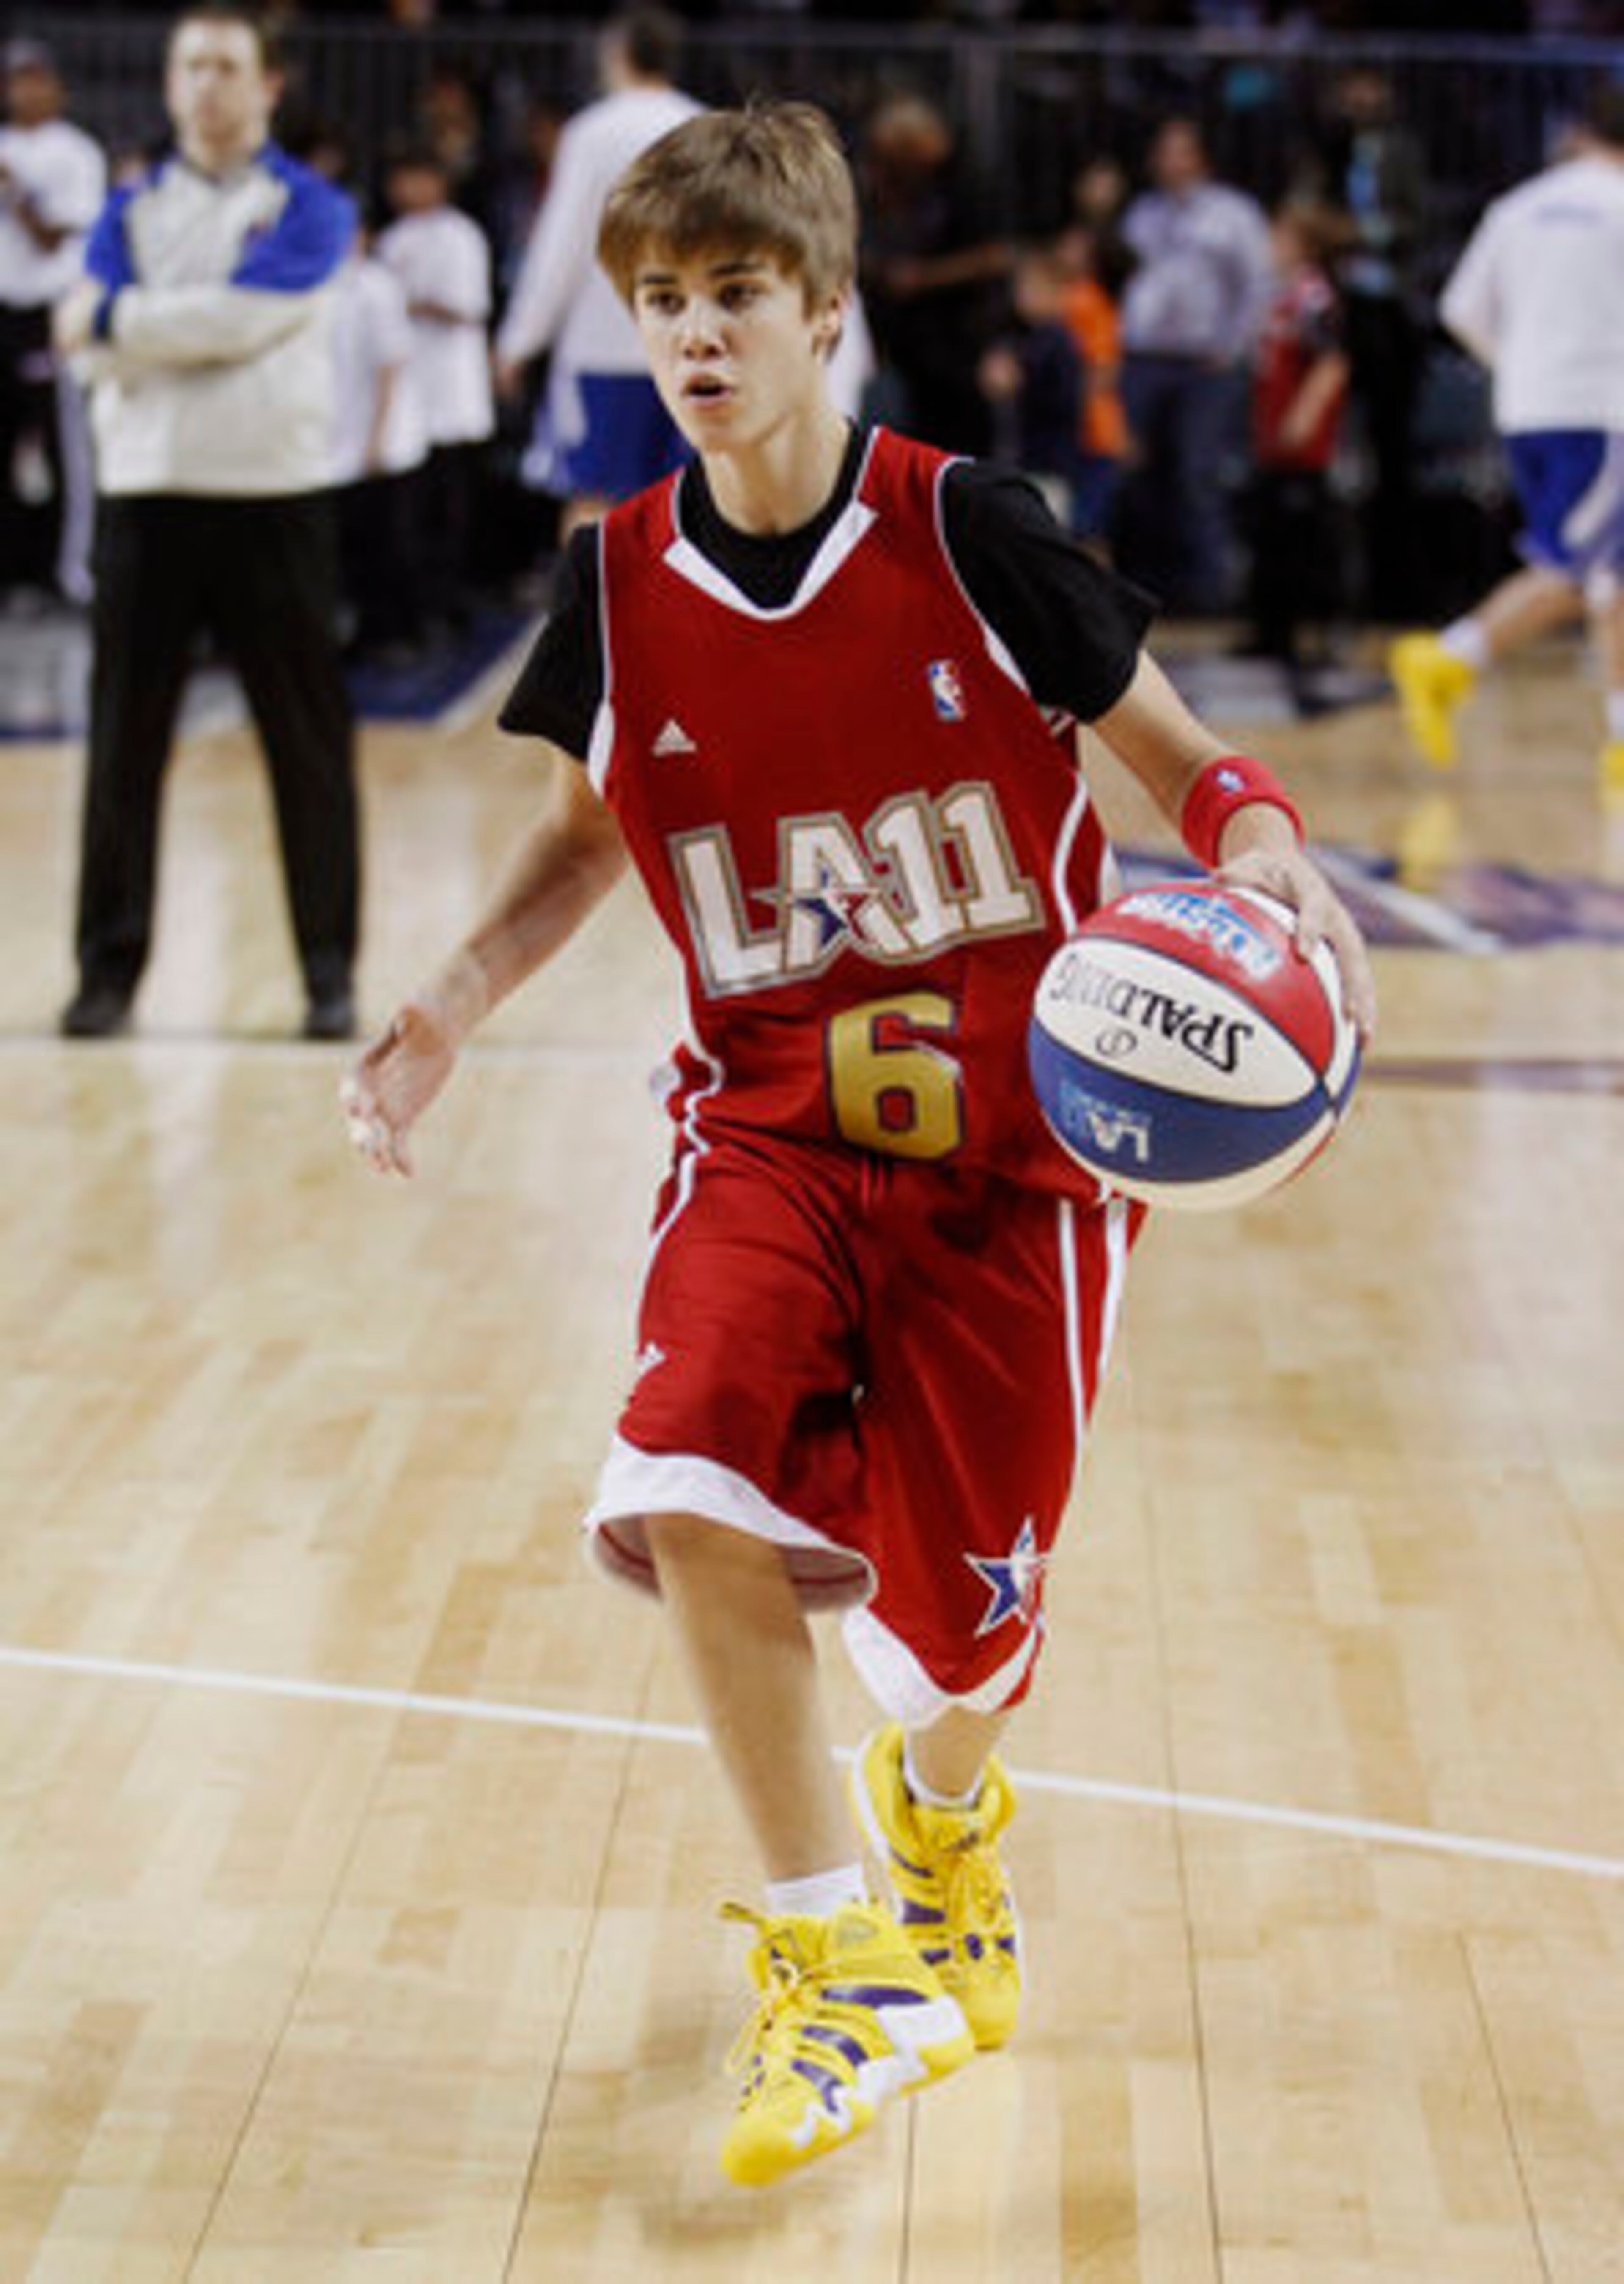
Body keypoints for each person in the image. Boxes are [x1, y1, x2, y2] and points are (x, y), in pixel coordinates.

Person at [340, 102, 1375, 2189]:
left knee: (950, 1654)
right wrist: (445, 1004)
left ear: (828, 315)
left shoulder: (970, 527)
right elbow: (581, 842)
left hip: (1020, 1173)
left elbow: (1188, 764)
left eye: (735, 299)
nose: (696, 339)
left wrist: (1278, 870)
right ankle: (841, 1963)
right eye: (661, 307)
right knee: (687, 1480)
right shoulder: (615, 581)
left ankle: (944, 1816)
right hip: (773, 1134)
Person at [55, 1, 359, 1042]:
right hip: (148, 500)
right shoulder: (126, 210)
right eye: (191, 65)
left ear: (269, 84)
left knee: (307, 747)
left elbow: (247, 317)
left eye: (229, 66)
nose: (208, 85)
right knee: (122, 751)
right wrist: (121, 330)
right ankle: (107, 972)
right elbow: (86, 340)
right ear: (169, 81)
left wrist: (119, 321)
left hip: (275, 499)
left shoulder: (313, 206)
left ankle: (328, 972)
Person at [1388, 81, 1624, 799]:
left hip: (1529, 408)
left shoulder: (1517, 206)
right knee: (1580, 569)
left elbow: (1460, 308)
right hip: (1605, 407)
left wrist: (1518, 367)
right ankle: (1449, 656)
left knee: (1609, 577)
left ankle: (1620, 740)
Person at [493, 6, 699, 538]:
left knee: (594, 503)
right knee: (686, 509)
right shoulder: (705, 129)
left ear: (617, 54)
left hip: (603, 348)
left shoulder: (592, 132)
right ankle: (671, 622)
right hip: (689, 345)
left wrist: (518, 340)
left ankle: (588, 623)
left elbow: (561, 245)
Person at [1117, 115, 1274, 610]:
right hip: (1145, 359)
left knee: (1196, 475)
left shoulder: (1233, 214)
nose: (1169, 161)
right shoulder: (1142, 214)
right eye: (1163, 151)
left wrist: (1233, 347)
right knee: (1136, 473)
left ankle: (1209, 590)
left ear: (1202, 157)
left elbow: (1257, 285)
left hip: (1206, 363)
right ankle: (1146, 588)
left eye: (1180, 151)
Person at [0, 38, 105, 607]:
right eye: (17, 80)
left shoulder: (76, 152)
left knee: (61, 449)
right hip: (2, 308)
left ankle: (61, 571)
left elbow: (51, 240)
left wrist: (16, 193)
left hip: (50, 312)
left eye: (37, 79)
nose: (27, 91)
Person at [376, 143, 494, 637]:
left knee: (451, 506)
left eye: (416, 178)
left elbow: (469, 306)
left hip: (452, 387)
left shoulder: (460, 235)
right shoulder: (393, 238)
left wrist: (414, 303)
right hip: (411, 391)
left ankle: (453, 603)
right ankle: (418, 605)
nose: (406, 190)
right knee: (412, 510)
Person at [1238, 198, 1350, 688]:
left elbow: (1332, 361)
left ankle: (1317, 634)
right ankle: (1272, 632)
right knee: (1271, 534)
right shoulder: (1283, 296)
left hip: (1301, 444)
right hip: (1272, 436)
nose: (1270, 246)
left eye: (1279, 237)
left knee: (1306, 538)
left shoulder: (1314, 298)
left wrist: (1305, 414)